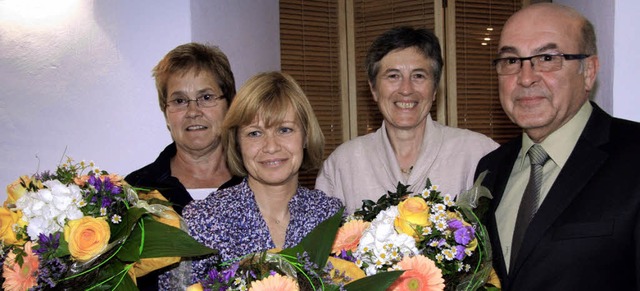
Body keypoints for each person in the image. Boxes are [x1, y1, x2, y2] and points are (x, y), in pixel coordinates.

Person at [475, 3, 640, 290]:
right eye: (511, 61)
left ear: (588, 71)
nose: (525, 78)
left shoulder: (634, 157)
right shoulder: (490, 168)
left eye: (548, 58)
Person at [159, 71, 343, 288]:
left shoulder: (331, 216)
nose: (271, 146)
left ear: (305, 136)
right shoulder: (202, 222)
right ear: (237, 143)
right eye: (255, 133)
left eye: (284, 130)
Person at [315, 26, 499, 213]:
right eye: (393, 76)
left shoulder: (479, 153)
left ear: (434, 89)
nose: (406, 89)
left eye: (418, 76)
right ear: (373, 89)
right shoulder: (343, 163)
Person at [124, 42, 242, 290]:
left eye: (206, 97)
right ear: (165, 112)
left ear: (229, 104)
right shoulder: (134, 193)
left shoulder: (255, 183)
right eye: (179, 100)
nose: (193, 111)